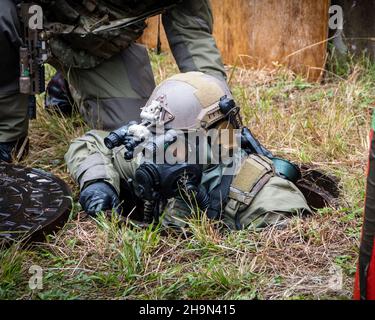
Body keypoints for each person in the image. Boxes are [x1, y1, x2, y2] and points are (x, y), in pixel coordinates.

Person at [65, 72, 311, 230]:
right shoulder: (156, 158)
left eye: (171, 140)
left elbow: (289, 253)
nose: (156, 151)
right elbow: (91, 143)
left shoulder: (264, 199)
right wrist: (98, 183)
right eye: (154, 135)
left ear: (215, 138)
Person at [0, 0, 227, 162]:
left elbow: (192, 33)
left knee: (137, 142)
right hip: (28, 21)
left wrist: (220, 116)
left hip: (95, 43)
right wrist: (9, 133)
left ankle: (70, 80)